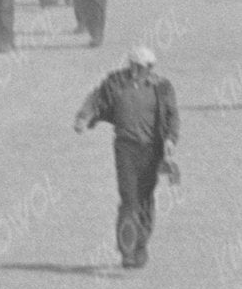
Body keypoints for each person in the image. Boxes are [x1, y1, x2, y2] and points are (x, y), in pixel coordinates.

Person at [74, 43, 180, 270]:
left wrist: (171, 139)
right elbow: (96, 99)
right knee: (129, 201)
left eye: (144, 67)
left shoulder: (161, 87)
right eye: (136, 66)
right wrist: (83, 117)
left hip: (152, 150)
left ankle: (141, 244)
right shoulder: (116, 82)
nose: (139, 71)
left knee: (145, 199)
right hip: (126, 149)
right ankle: (127, 251)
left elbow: (172, 116)